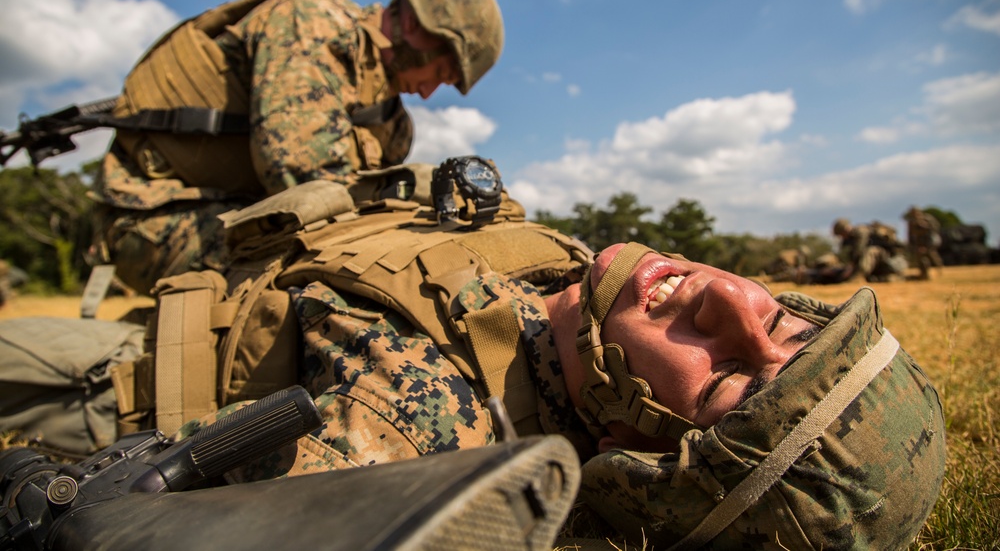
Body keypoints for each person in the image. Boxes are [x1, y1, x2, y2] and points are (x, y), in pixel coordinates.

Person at [2, 176, 945, 549]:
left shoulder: (429, 427)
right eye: (782, 316)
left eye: (735, 376)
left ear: (637, 448)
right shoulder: (574, 295)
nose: (733, 298)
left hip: (105, 375)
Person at [89, 0, 503, 295]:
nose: (429, 94)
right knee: (322, 289)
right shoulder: (312, 21)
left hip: (245, 219)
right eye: (439, 72)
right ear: (413, 25)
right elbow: (302, 181)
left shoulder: (390, 125)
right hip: (157, 217)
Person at [831, 217, 908, 282]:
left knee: (871, 251)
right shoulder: (849, 239)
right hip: (876, 265)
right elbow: (847, 254)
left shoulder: (861, 231)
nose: (841, 237)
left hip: (888, 258)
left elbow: (859, 249)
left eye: (841, 234)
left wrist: (852, 266)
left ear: (845, 229)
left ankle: (859, 277)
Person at [904, 206, 944, 280]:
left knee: (932, 256)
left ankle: (939, 271)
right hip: (919, 243)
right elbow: (910, 234)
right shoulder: (912, 222)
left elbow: (934, 230)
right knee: (921, 258)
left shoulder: (928, 219)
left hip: (930, 242)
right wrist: (912, 245)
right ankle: (924, 274)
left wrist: (924, 225)